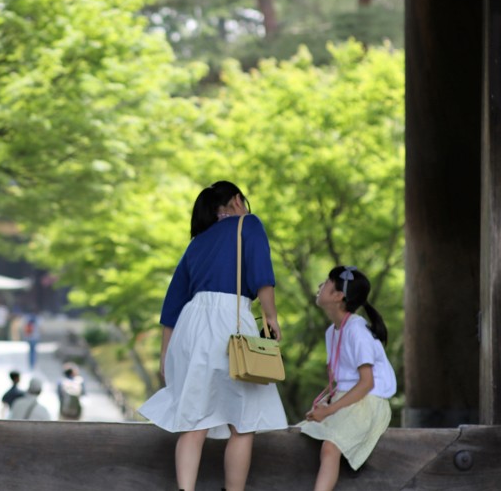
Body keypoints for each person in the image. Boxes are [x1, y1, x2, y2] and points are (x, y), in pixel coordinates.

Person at [138, 181, 287, 491]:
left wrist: (166, 356)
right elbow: (262, 276)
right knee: (243, 423)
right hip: (230, 322)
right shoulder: (249, 224)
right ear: (235, 201)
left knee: (193, 421)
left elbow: (172, 304)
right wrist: (270, 316)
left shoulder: (196, 243)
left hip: (190, 326)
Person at [298, 266, 397, 491]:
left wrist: (330, 411)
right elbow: (337, 381)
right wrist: (325, 404)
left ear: (338, 296)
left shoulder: (357, 330)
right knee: (304, 433)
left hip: (369, 401)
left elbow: (366, 383)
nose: (319, 286)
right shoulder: (331, 331)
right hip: (348, 399)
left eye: (325, 282)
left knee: (330, 447)